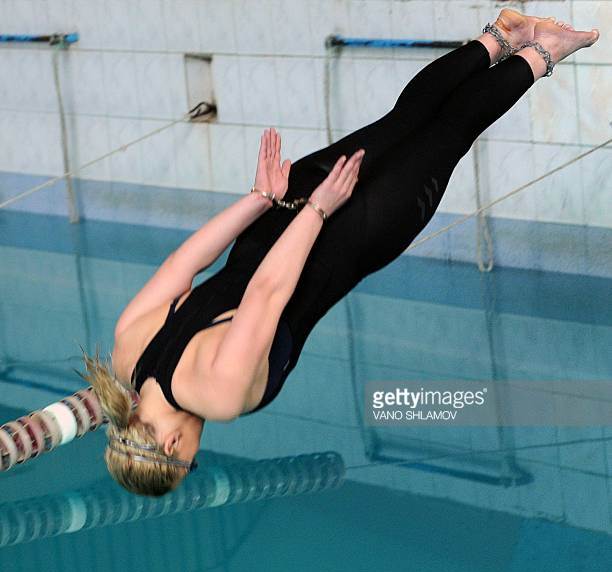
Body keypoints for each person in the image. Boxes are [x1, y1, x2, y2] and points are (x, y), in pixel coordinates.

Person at [79, 9, 599, 496]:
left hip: (342, 233)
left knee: (452, 131)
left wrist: (319, 211)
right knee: (407, 118)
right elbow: (183, 263)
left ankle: (547, 49)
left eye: (189, 461)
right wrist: (260, 199)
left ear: (172, 446)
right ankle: (501, 35)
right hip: (277, 213)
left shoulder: (216, 395)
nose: (196, 453)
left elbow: (266, 294)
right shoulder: (126, 354)